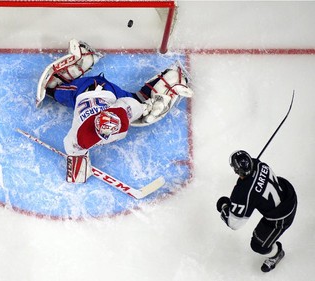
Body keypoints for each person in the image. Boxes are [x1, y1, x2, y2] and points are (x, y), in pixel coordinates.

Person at [36, 39, 194, 183]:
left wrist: (147, 107)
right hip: (86, 89)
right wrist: (78, 172)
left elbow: (133, 106)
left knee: (143, 106)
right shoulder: (79, 137)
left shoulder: (123, 111)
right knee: (54, 90)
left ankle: (172, 79)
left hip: (111, 94)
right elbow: (74, 153)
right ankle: (82, 59)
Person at [217, 150, 297, 272]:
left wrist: (224, 206)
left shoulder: (244, 193)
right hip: (288, 194)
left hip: (281, 217)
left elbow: (234, 223)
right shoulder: (260, 164)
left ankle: (277, 254)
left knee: (258, 246)